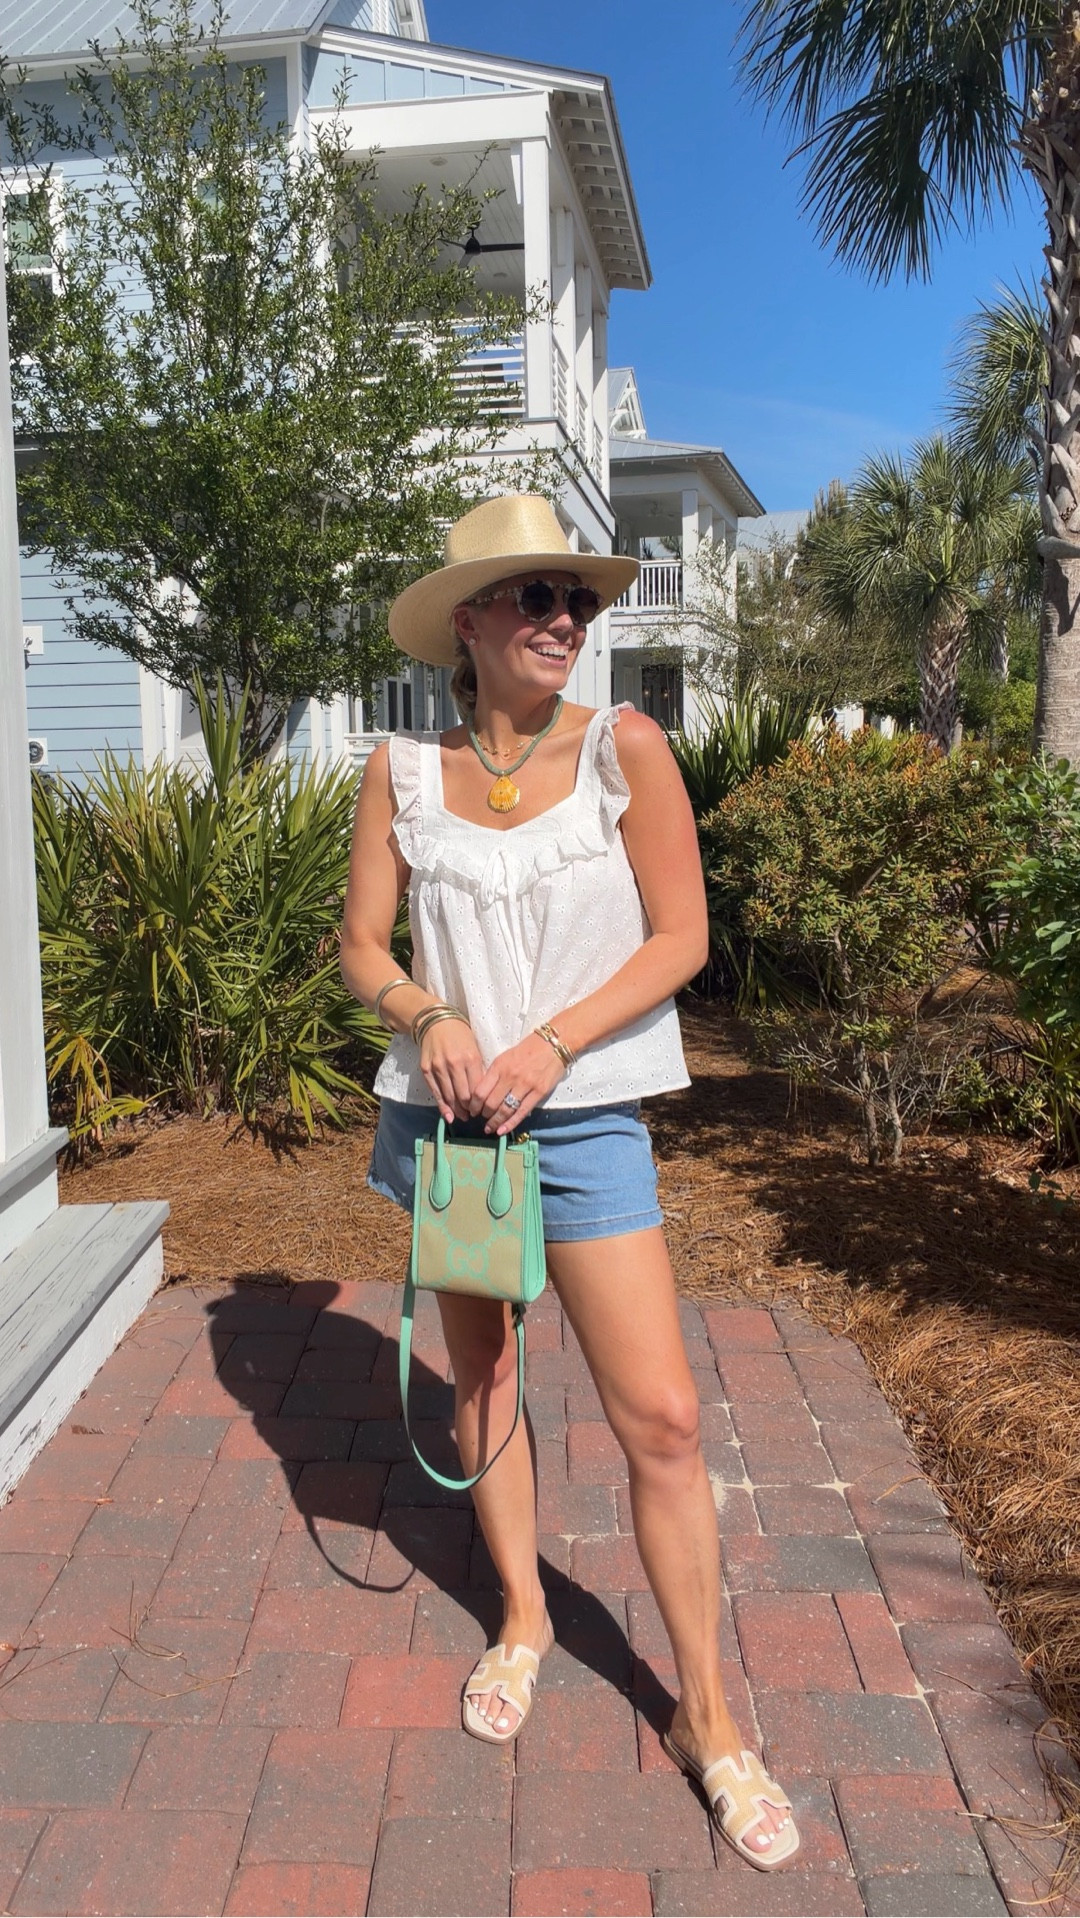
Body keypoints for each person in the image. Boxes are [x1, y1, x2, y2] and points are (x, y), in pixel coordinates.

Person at [340, 494, 798, 1871]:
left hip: (587, 1118)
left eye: (578, 601)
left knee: (658, 1412)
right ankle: (526, 1618)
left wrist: (547, 1040)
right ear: (469, 619)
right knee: (481, 1383)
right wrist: (432, 1020)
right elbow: (363, 945)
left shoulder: (627, 749)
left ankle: (707, 1718)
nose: (562, 620)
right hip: (456, 1131)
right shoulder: (400, 772)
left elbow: (680, 938)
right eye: (533, 596)